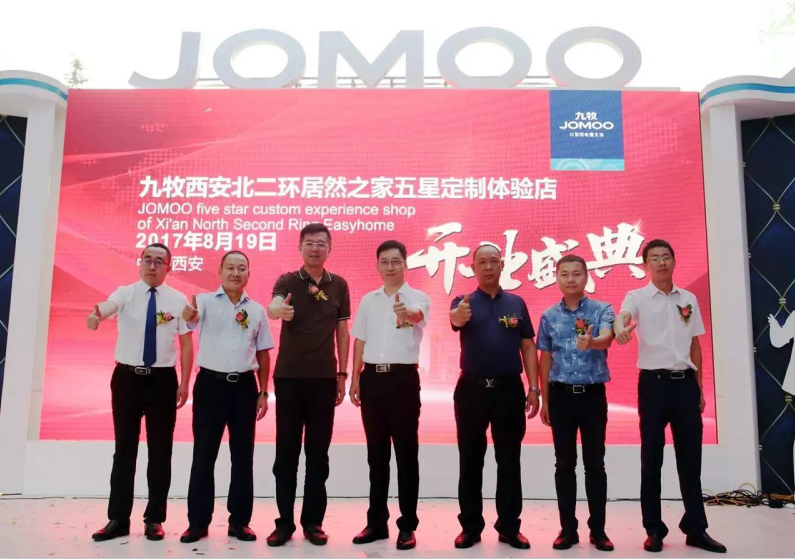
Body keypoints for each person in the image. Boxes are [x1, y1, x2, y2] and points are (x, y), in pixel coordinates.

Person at [614, 239, 726, 554]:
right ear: (645, 265)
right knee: (652, 459)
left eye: (666, 257)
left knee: (690, 459)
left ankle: (696, 528)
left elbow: (695, 345)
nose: (661, 262)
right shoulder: (637, 297)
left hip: (685, 385)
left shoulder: (688, 298)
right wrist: (621, 328)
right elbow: (623, 316)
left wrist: (700, 388)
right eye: (655, 258)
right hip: (654, 385)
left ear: (674, 261)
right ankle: (654, 529)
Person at [89, 243, 193, 542]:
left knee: (160, 451)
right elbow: (108, 306)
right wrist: (98, 314)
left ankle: (154, 519)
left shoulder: (178, 299)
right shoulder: (125, 293)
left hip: (162, 381)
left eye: (159, 261)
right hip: (127, 380)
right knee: (124, 450)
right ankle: (118, 519)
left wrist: (185, 382)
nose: (152, 265)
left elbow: (186, 343)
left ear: (169, 267)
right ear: (140, 263)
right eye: (147, 259)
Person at [449, 244, 540, 550]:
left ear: (502, 265)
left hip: (508, 390)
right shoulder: (463, 301)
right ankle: (470, 527)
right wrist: (458, 315)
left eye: (493, 261)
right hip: (471, 390)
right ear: (473, 267)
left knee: (509, 459)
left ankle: (509, 527)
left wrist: (533, 388)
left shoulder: (516, 303)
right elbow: (455, 320)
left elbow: (527, 346)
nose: (488, 267)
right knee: (470, 460)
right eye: (482, 262)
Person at [266, 223, 351, 547]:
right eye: (310, 243)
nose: (315, 248)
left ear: (330, 248)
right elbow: (274, 306)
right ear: (300, 247)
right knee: (286, 454)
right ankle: (284, 522)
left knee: (318, 455)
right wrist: (278, 309)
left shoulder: (339, 285)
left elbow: (342, 332)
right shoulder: (288, 281)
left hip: (324, 380)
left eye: (321, 244)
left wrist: (342, 374)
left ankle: (313, 522)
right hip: (289, 378)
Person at [179, 250, 273, 543]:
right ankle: (198, 522)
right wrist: (189, 315)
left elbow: (263, 353)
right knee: (203, 454)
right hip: (210, 386)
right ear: (220, 271)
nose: (235, 272)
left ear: (248, 274)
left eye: (241, 268)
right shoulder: (204, 302)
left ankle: (239, 522)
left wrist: (263, 391)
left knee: (243, 457)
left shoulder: (257, 310)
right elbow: (190, 320)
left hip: (244, 388)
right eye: (230, 267)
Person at [349, 240, 430, 551]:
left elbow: (418, 317)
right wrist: (355, 377)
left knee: (406, 455)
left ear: (405, 264)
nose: (390, 267)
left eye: (396, 261)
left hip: (403, 381)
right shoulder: (368, 301)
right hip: (372, 380)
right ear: (378, 266)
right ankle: (376, 523)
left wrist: (406, 312)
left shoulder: (418, 297)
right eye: (384, 261)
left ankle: (407, 525)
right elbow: (359, 340)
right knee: (377, 455)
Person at [537, 254, 615, 552]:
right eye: (565, 274)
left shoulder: (601, 309)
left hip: (593, 396)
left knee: (595, 463)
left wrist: (592, 342)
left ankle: (599, 530)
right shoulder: (548, 316)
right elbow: (545, 358)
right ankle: (567, 529)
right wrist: (544, 399)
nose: (571, 279)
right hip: (561, 396)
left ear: (586, 277)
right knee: (564, 463)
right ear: (557, 278)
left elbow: (607, 337)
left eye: (577, 274)